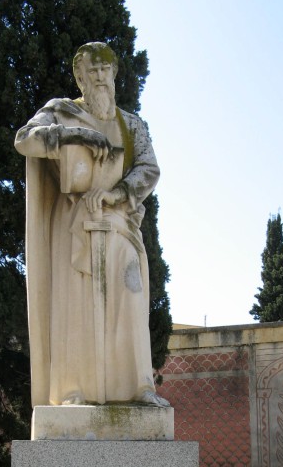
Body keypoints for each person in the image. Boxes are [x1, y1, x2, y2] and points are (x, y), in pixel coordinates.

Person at [15, 41, 169, 408]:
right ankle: (72, 392)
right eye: (92, 71)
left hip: (119, 225)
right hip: (74, 223)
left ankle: (138, 387)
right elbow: (24, 140)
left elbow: (149, 170)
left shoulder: (131, 125)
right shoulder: (61, 113)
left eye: (106, 70)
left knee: (129, 303)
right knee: (76, 308)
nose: (100, 77)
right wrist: (71, 135)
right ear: (79, 76)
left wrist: (117, 194)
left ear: (114, 75)